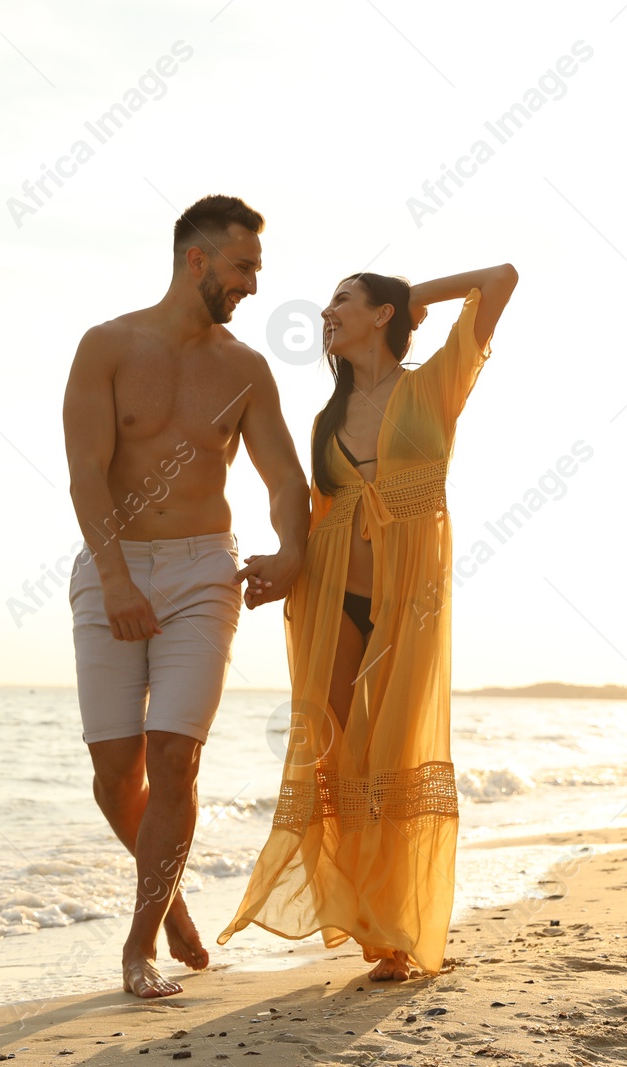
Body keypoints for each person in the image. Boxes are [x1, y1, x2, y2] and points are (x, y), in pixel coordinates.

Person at [218, 263, 519, 981]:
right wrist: (287, 565)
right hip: (328, 596)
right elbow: (313, 509)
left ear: (382, 314)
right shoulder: (325, 418)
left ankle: (396, 924)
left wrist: (413, 297)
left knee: (390, 755)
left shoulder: (433, 385)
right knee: (336, 755)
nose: (327, 313)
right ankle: (364, 917)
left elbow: (502, 279)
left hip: (408, 598)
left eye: (342, 301)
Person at [63, 195, 310, 998]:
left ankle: (139, 947)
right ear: (197, 260)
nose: (252, 285)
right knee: (113, 773)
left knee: (175, 758)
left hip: (206, 568)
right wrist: (115, 580)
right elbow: (86, 474)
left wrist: (294, 550)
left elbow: (283, 481)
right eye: (243, 268)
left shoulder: (244, 369)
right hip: (114, 564)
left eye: (256, 271)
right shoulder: (106, 346)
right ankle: (167, 898)